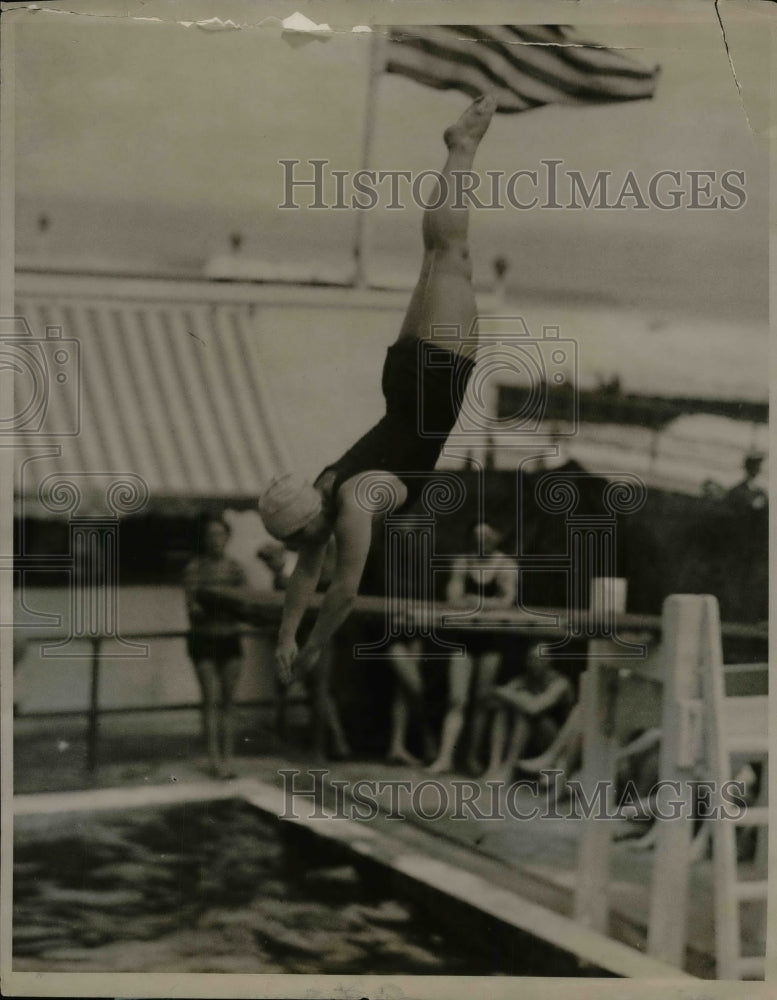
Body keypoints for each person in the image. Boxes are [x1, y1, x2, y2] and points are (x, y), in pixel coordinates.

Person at [258, 94, 498, 684]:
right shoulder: (324, 491)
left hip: (436, 379)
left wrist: (309, 649)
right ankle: (459, 151)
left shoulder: (354, 504)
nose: (305, 551)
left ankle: (462, 149)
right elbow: (306, 575)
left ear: (305, 524)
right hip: (404, 381)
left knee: (453, 256)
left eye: (300, 542)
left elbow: (340, 591)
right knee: (439, 256)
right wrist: (285, 635)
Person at [427, 521, 518, 775]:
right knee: (457, 699)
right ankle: (445, 757)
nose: (482, 541)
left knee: (482, 701)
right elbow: (453, 599)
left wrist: (475, 601)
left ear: (497, 538)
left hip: (491, 639)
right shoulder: (462, 562)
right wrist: (487, 603)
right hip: (464, 637)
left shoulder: (506, 565)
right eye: (477, 536)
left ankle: (472, 757)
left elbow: (507, 602)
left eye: (487, 536)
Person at [183, 515, 248, 778]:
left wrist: (229, 604)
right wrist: (220, 603)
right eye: (211, 535)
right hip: (205, 638)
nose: (216, 540)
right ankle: (213, 760)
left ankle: (228, 757)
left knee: (229, 702)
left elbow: (246, 604)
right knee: (210, 698)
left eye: (220, 535)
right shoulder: (195, 568)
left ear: (228, 538)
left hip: (230, 638)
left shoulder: (236, 569)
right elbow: (193, 609)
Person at [483, 644, 574, 783]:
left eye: (541, 659)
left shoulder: (560, 682)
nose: (536, 663)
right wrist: (514, 696)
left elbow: (535, 707)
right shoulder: (524, 679)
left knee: (526, 714)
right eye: (532, 659)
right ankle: (494, 766)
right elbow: (492, 699)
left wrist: (510, 695)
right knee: (502, 709)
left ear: (550, 660)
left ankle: (509, 769)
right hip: (532, 741)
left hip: (560, 743)